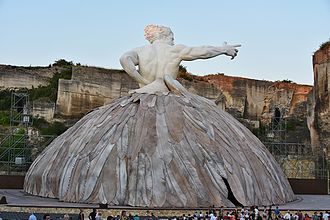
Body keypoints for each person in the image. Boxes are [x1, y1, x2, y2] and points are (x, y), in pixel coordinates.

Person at [120, 24, 239, 95]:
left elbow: (124, 59)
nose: (173, 42)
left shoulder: (140, 51)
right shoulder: (174, 50)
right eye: (172, 38)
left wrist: (143, 81)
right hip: (168, 94)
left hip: (145, 94)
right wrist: (223, 49)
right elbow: (202, 51)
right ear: (165, 36)